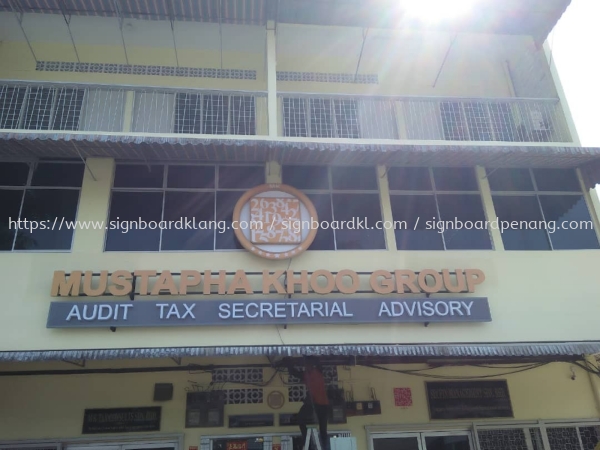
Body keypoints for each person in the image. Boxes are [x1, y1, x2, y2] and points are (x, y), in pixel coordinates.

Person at [285, 356, 330, 450]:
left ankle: (307, 442)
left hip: (316, 405)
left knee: (301, 418)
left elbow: (293, 372)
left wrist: (288, 362)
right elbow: (317, 361)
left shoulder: (308, 375)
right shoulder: (318, 372)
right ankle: (323, 447)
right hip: (324, 406)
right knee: (323, 430)